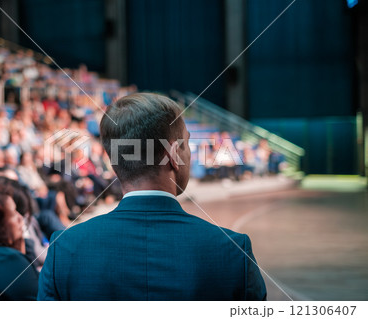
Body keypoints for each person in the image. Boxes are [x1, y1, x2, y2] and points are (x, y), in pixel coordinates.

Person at [38, 93, 267, 301]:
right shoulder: (234, 251)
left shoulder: (64, 250)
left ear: (113, 159)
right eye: (186, 144)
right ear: (173, 154)